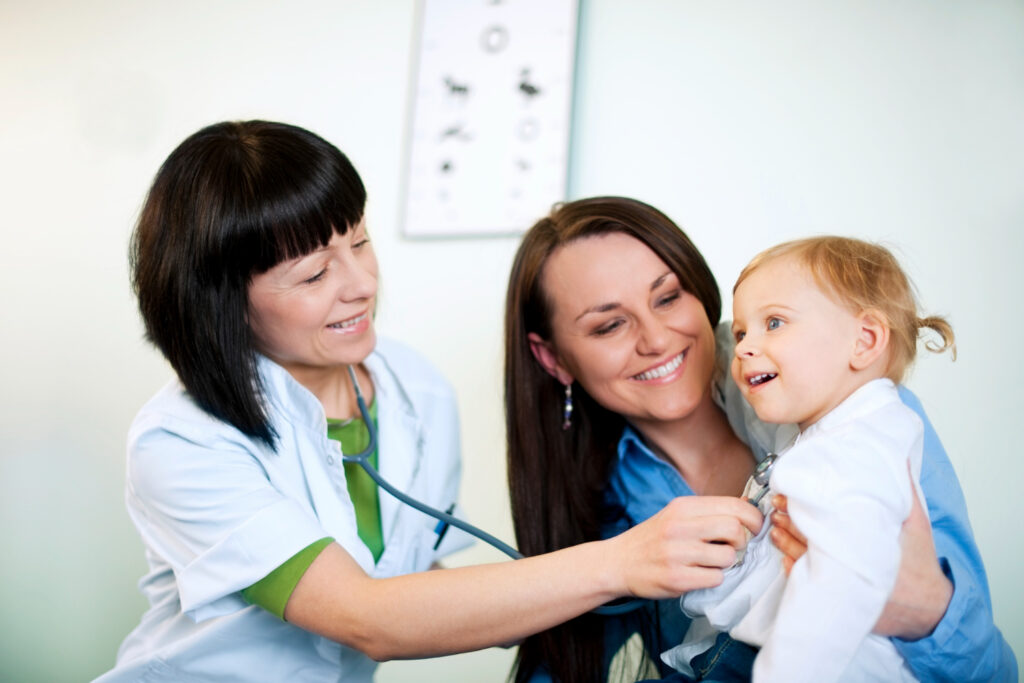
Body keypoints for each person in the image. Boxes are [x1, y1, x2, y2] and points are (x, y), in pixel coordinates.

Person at [96, 122, 765, 683]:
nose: (360, 285)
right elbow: (368, 615)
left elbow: (419, 571)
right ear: (223, 306)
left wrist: (543, 601)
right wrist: (621, 560)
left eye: (358, 242)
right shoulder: (182, 443)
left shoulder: (414, 389)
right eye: (314, 273)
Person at [504, 196, 1017, 682]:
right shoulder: (602, 498)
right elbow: (566, 662)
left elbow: (990, 671)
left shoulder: (858, 411)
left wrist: (926, 613)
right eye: (610, 325)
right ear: (552, 359)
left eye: (667, 297)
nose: (656, 339)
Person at [663, 236, 956, 681]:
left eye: (775, 323)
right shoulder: (826, 432)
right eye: (741, 332)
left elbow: (838, 588)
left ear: (864, 341)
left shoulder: (857, 447)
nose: (741, 347)